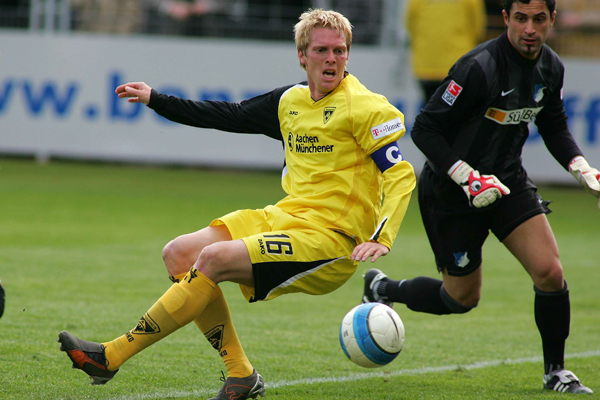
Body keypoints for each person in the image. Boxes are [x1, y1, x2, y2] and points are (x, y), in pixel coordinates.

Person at [57, 8, 416, 400]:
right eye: (321, 50)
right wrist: (156, 99)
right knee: (179, 254)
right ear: (302, 55)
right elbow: (228, 115)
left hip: (332, 240)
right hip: (285, 217)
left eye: (340, 51)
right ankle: (241, 374)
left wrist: (382, 237)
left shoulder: (365, 107)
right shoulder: (290, 101)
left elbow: (400, 175)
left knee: (212, 259)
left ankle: (110, 356)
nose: (332, 59)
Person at [362, 0, 598, 394]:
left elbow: (554, 125)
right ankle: (383, 289)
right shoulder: (477, 67)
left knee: (550, 272)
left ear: (552, 20)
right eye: (520, 18)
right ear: (505, 18)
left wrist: (582, 168)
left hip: (507, 184)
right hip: (451, 193)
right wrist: (466, 177)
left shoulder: (551, 67)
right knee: (460, 298)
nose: (529, 29)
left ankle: (555, 372)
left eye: (539, 19)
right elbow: (425, 129)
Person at [406, 0, 486, 102]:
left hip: (426, 63)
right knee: (457, 107)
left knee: (430, 105)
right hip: (459, 63)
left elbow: (411, 23)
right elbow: (478, 27)